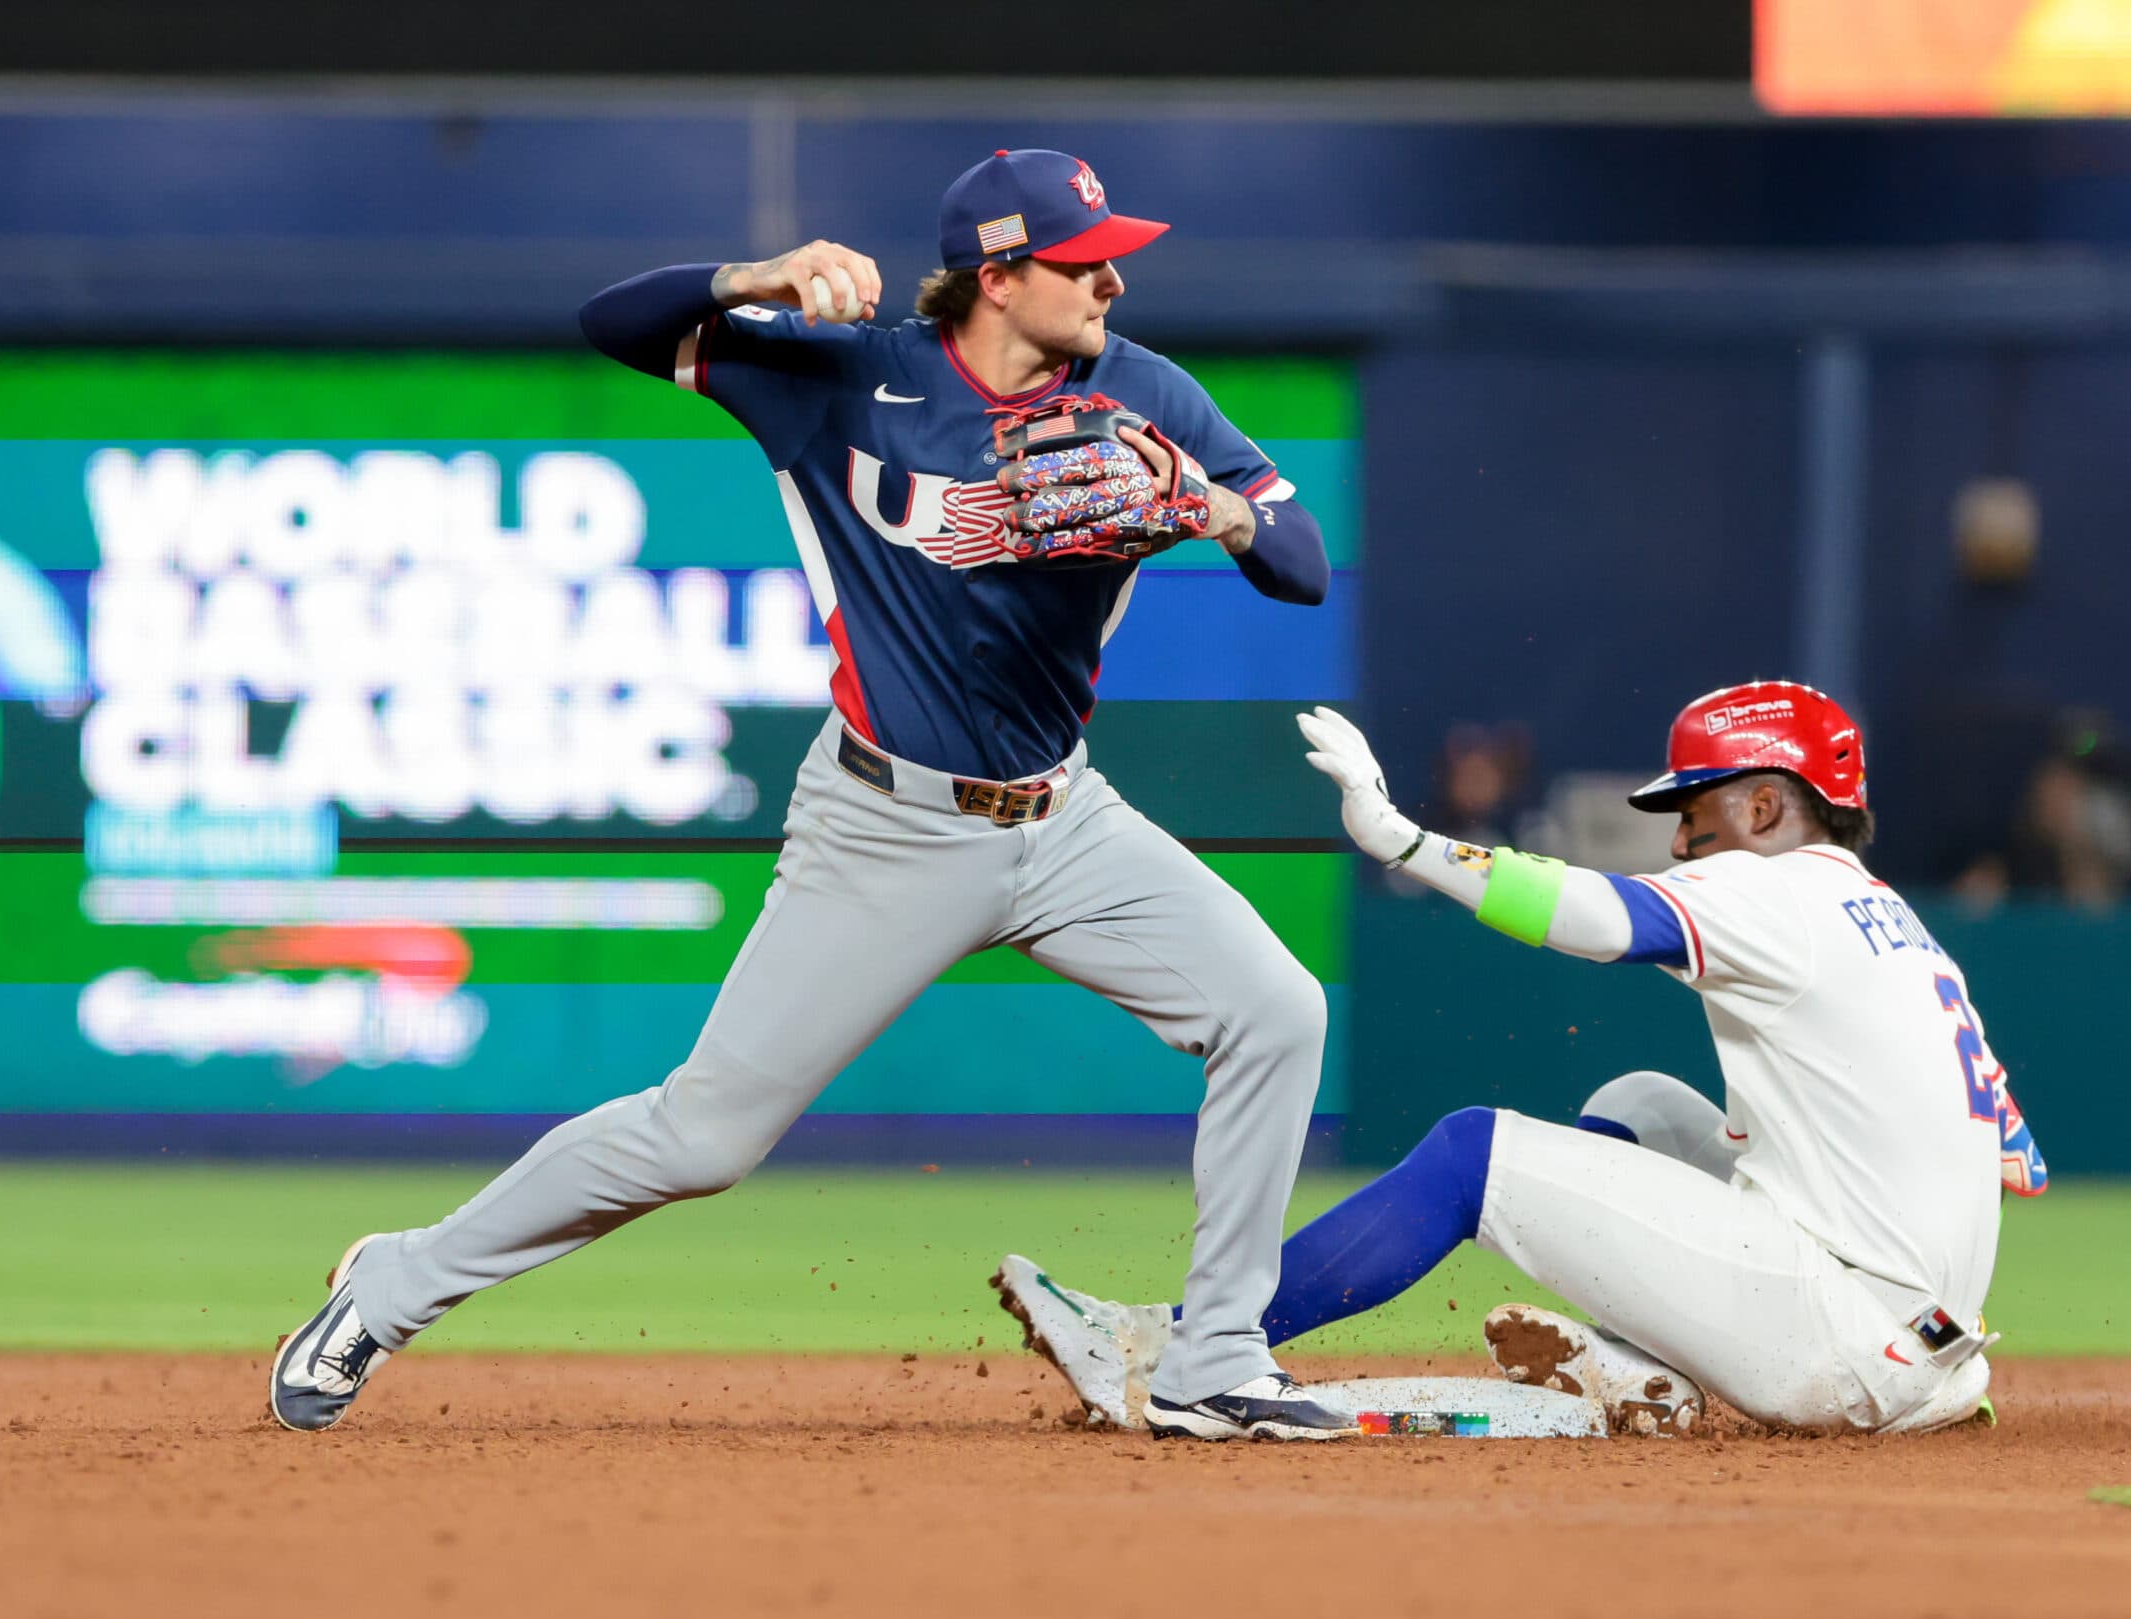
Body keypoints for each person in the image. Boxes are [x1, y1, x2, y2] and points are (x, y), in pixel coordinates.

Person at [272, 148, 1349, 1441]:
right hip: (884, 825)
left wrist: (1213, 508)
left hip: (1066, 821)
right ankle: (393, 1283)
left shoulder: (1146, 393)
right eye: (1082, 259)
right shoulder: (847, 378)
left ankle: (1214, 1358)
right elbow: (614, 323)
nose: (1113, 278)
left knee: (1278, 1011)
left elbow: (1303, 561)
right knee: (701, 1138)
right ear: (998, 278)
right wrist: (755, 278)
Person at [998, 681, 2049, 1437]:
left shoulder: (1774, 888)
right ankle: (1642, 1369)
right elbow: (2013, 1149)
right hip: (1932, 1350)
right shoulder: (1891, 919)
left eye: (1695, 811)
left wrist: (1407, 841)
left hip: (1842, 1342)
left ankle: (1176, 1343)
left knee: (1470, 1157)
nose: (1680, 841)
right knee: (1641, 1102)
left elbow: (1591, 918)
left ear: (1766, 804)